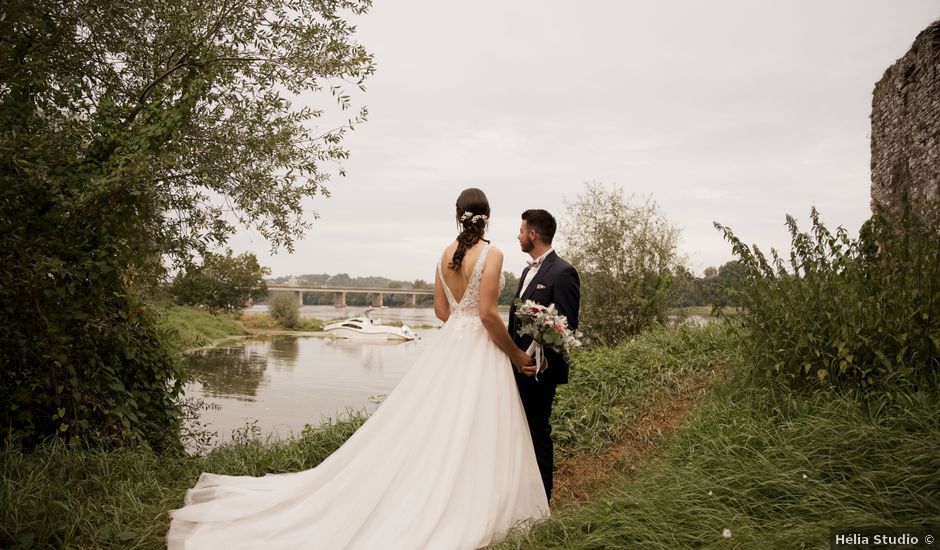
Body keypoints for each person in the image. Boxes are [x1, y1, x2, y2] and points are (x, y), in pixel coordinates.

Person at [167, 188, 549, 549]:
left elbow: (441, 312)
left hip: (450, 348)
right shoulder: (493, 254)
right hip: (480, 349)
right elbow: (485, 314)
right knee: (476, 424)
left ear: (457, 216)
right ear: (487, 218)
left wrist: (459, 335)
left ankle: (433, 489)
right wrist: (516, 354)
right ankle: (473, 498)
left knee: (434, 423)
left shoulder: (443, 254)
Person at [508, 209, 580, 502]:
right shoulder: (527, 271)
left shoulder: (564, 272)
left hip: (539, 371)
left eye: (521, 230)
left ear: (533, 235)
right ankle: (520, 495)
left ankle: (542, 501)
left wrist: (538, 358)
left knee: (537, 433)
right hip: (515, 366)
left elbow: (567, 326)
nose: (518, 235)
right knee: (516, 432)